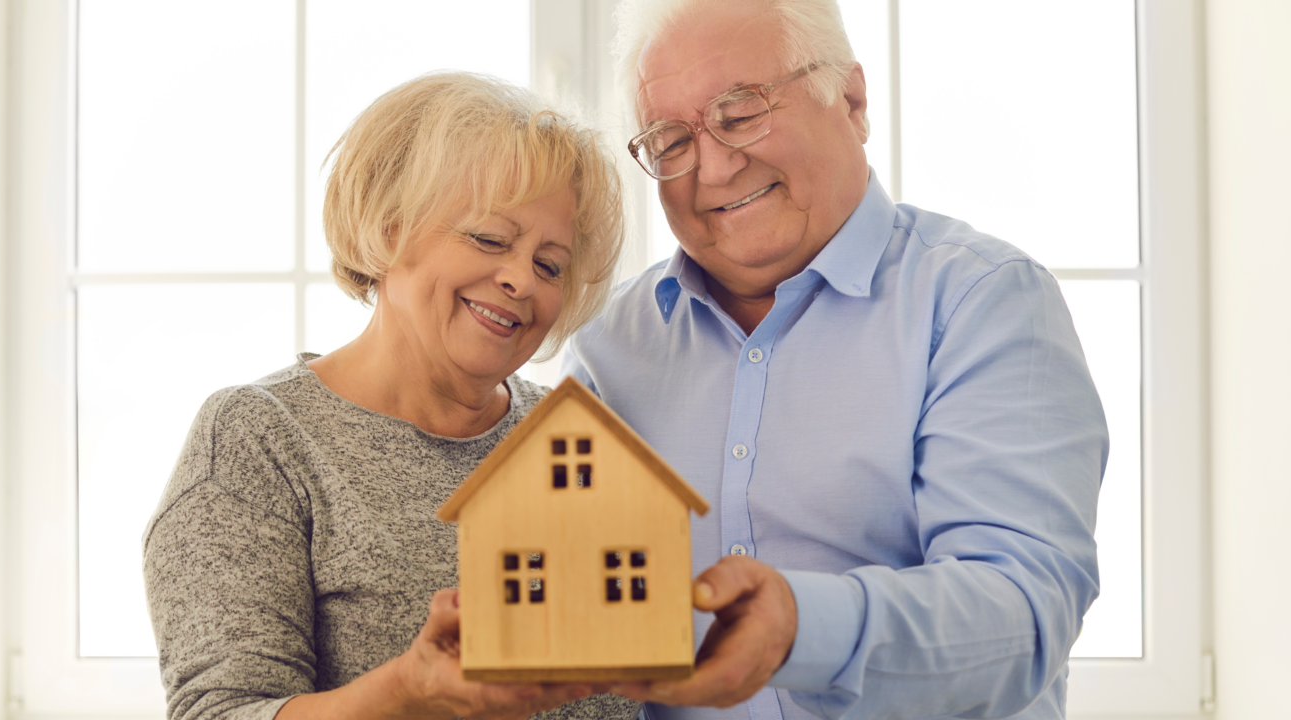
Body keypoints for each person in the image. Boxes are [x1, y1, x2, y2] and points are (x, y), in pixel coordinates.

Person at [563, 1, 1108, 719]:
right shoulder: (606, 348)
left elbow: (1020, 611)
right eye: (671, 141)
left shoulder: (980, 301)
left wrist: (802, 627)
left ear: (850, 101)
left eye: (740, 112)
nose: (716, 168)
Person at [142, 72, 640, 720]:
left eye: (550, 265)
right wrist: (407, 692)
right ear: (387, 227)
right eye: (489, 239)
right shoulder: (259, 440)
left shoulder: (576, 442)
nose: (521, 279)